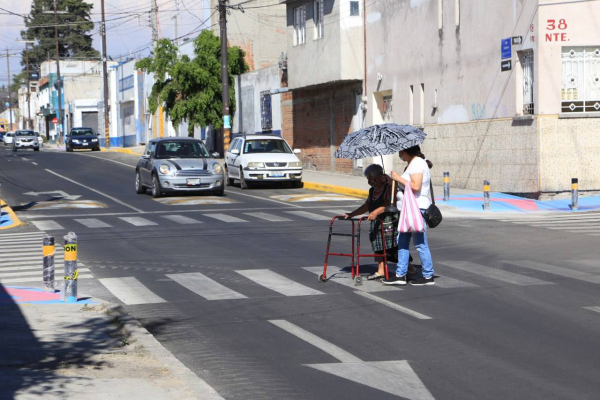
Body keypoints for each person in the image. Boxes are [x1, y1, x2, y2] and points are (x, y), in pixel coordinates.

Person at [344, 164, 416, 280]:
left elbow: (388, 203)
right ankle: (381, 270)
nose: (371, 182)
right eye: (369, 179)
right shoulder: (372, 190)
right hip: (376, 222)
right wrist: (351, 214)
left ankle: (410, 268)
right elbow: (367, 205)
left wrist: (376, 211)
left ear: (380, 177)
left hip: (389, 221)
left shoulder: (389, 187)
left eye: (373, 179)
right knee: (377, 246)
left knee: (392, 247)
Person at [383, 145, 435, 286]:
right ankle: (400, 274)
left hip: (416, 209)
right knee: (402, 241)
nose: (399, 154)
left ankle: (428, 275)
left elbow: (415, 186)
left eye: (400, 151)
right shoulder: (412, 163)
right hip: (408, 209)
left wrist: (398, 178)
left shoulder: (417, 163)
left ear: (405, 151)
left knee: (420, 243)